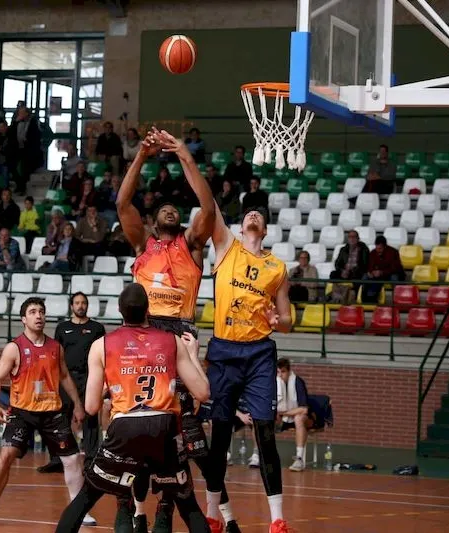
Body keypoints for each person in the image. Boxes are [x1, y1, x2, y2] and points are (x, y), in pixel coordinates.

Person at [117, 128, 243, 533]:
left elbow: (207, 206)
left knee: (182, 432)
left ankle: (168, 508)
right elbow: (122, 203)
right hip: (143, 334)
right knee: (139, 424)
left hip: (180, 336)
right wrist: (141, 155)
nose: (171, 211)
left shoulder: (191, 245)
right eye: (165, 209)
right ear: (153, 222)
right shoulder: (143, 245)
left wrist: (184, 154)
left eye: (176, 210)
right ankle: (134, 508)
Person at [54, 283, 211, 533]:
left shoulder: (101, 345)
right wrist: (193, 355)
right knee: (188, 505)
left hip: (125, 425)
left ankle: (126, 508)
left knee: (85, 498)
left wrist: (114, 383)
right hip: (163, 425)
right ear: (148, 310)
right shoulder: (172, 341)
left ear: (119, 311)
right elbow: (203, 393)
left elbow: (92, 407)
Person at [202, 198, 294, 533]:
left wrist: (278, 321)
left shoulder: (277, 268)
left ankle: (277, 520)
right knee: (220, 434)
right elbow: (208, 204)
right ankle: (213, 514)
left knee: (265, 431)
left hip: (258, 354)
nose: (253, 214)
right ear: (240, 228)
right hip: (224, 350)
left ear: (264, 230)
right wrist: (188, 164)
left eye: (259, 216)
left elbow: (287, 321)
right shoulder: (227, 247)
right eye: (247, 214)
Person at [0, 297, 94, 528]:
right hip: (22, 412)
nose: (38, 315)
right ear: (23, 319)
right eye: (32, 312)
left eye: (41, 311)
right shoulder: (14, 348)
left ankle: (79, 511)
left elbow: (65, 376)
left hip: (52, 412)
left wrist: (78, 405)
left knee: (72, 459)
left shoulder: (55, 347)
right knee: (6, 456)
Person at [38, 292, 106, 473]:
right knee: (60, 420)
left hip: (90, 378)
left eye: (83, 303)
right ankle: (57, 459)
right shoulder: (63, 328)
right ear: (71, 306)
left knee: (90, 420)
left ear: (87, 306)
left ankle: (90, 461)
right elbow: (55, 355)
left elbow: (104, 355)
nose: (80, 306)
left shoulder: (97, 328)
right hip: (66, 379)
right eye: (77, 303)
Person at [275, 359, 314, 472]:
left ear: (289, 371)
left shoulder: (297, 382)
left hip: (300, 418)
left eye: (283, 372)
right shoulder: (274, 382)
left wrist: (283, 413)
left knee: (298, 418)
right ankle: (260, 455)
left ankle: (299, 458)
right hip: (282, 418)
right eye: (278, 372)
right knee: (265, 418)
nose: (280, 375)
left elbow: (304, 409)